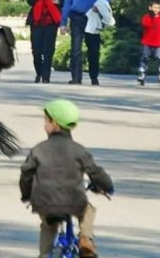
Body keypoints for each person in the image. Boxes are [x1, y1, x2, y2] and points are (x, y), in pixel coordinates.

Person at [20, 99, 114, 258]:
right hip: (74, 201)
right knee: (88, 210)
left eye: (46, 121)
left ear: (54, 124)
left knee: (48, 227)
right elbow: (95, 172)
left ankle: (44, 254)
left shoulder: (38, 150)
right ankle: (85, 238)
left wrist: (26, 194)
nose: (45, 125)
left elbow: (26, 174)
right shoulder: (79, 150)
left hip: (44, 202)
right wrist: (108, 186)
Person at [59, 0, 110, 85]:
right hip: (77, 18)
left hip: (93, 18)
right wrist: (63, 23)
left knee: (93, 49)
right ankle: (76, 77)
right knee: (76, 49)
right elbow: (67, 4)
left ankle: (94, 77)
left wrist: (101, 6)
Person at [26, 0, 63, 84]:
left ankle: (46, 76)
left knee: (48, 50)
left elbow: (63, 2)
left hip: (51, 23)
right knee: (36, 50)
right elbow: (30, 1)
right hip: (36, 23)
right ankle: (39, 73)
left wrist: (59, 1)